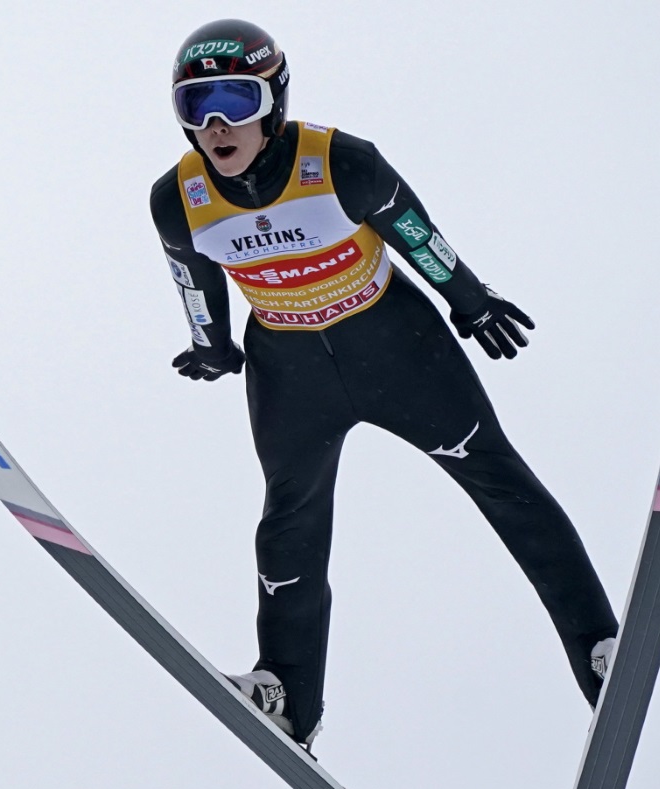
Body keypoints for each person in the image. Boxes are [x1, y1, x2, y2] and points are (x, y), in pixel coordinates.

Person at [150, 19, 618, 750]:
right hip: (290, 370)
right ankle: (287, 697)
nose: (216, 124)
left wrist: (471, 300)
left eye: (236, 100)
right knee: (288, 524)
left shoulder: (340, 161)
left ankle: (599, 652)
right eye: (196, 104)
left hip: (395, 346)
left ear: (273, 101)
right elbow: (194, 281)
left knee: (499, 479)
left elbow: (416, 233)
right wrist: (209, 347)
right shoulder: (176, 198)